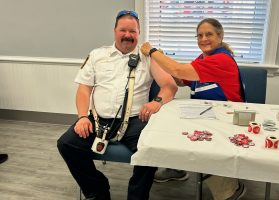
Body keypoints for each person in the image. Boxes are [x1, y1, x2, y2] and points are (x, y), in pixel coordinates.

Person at [57, 10, 177, 200]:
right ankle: (97, 190)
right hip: (98, 119)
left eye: (133, 31)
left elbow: (170, 86)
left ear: (139, 33)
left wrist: (157, 102)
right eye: (123, 30)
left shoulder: (149, 57)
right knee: (67, 144)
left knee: (152, 148)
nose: (128, 35)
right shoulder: (97, 55)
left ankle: (137, 196)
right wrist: (81, 117)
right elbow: (83, 90)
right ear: (114, 31)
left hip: (135, 120)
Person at [141, 18, 245, 200]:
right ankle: (176, 169)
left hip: (227, 118)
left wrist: (153, 52)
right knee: (169, 123)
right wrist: (163, 65)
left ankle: (229, 191)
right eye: (200, 35)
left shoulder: (221, 60)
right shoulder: (204, 57)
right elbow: (183, 79)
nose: (203, 39)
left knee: (208, 144)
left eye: (209, 34)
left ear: (220, 36)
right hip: (206, 113)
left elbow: (179, 70)